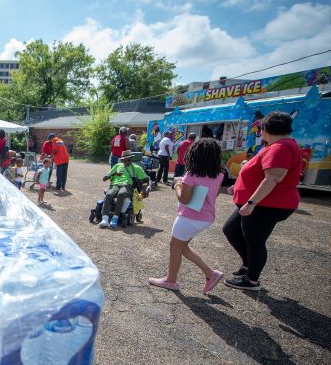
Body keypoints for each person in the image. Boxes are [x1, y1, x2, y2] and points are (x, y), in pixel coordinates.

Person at [222, 111, 301, 291]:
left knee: (255, 240)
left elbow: (273, 178)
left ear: (267, 129)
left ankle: (251, 279)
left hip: (266, 204)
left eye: (261, 128)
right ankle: (248, 265)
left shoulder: (281, 147)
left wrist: (251, 203)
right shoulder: (276, 145)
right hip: (258, 202)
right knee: (231, 230)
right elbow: (261, 173)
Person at [148, 139, 225, 293]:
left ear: (194, 155)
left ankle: (171, 281)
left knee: (175, 247)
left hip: (189, 218)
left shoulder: (191, 174)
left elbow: (184, 199)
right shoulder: (219, 174)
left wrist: (178, 185)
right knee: (182, 247)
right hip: (206, 217)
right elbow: (214, 195)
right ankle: (211, 274)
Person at [99, 150, 148, 228]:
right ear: (122, 160)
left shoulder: (137, 168)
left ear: (132, 159)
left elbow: (146, 179)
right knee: (109, 194)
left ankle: (115, 217)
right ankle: (105, 219)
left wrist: (144, 190)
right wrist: (114, 173)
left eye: (129, 159)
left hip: (127, 186)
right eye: (124, 160)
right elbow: (104, 178)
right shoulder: (117, 166)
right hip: (115, 185)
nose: (126, 161)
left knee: (121, 194)